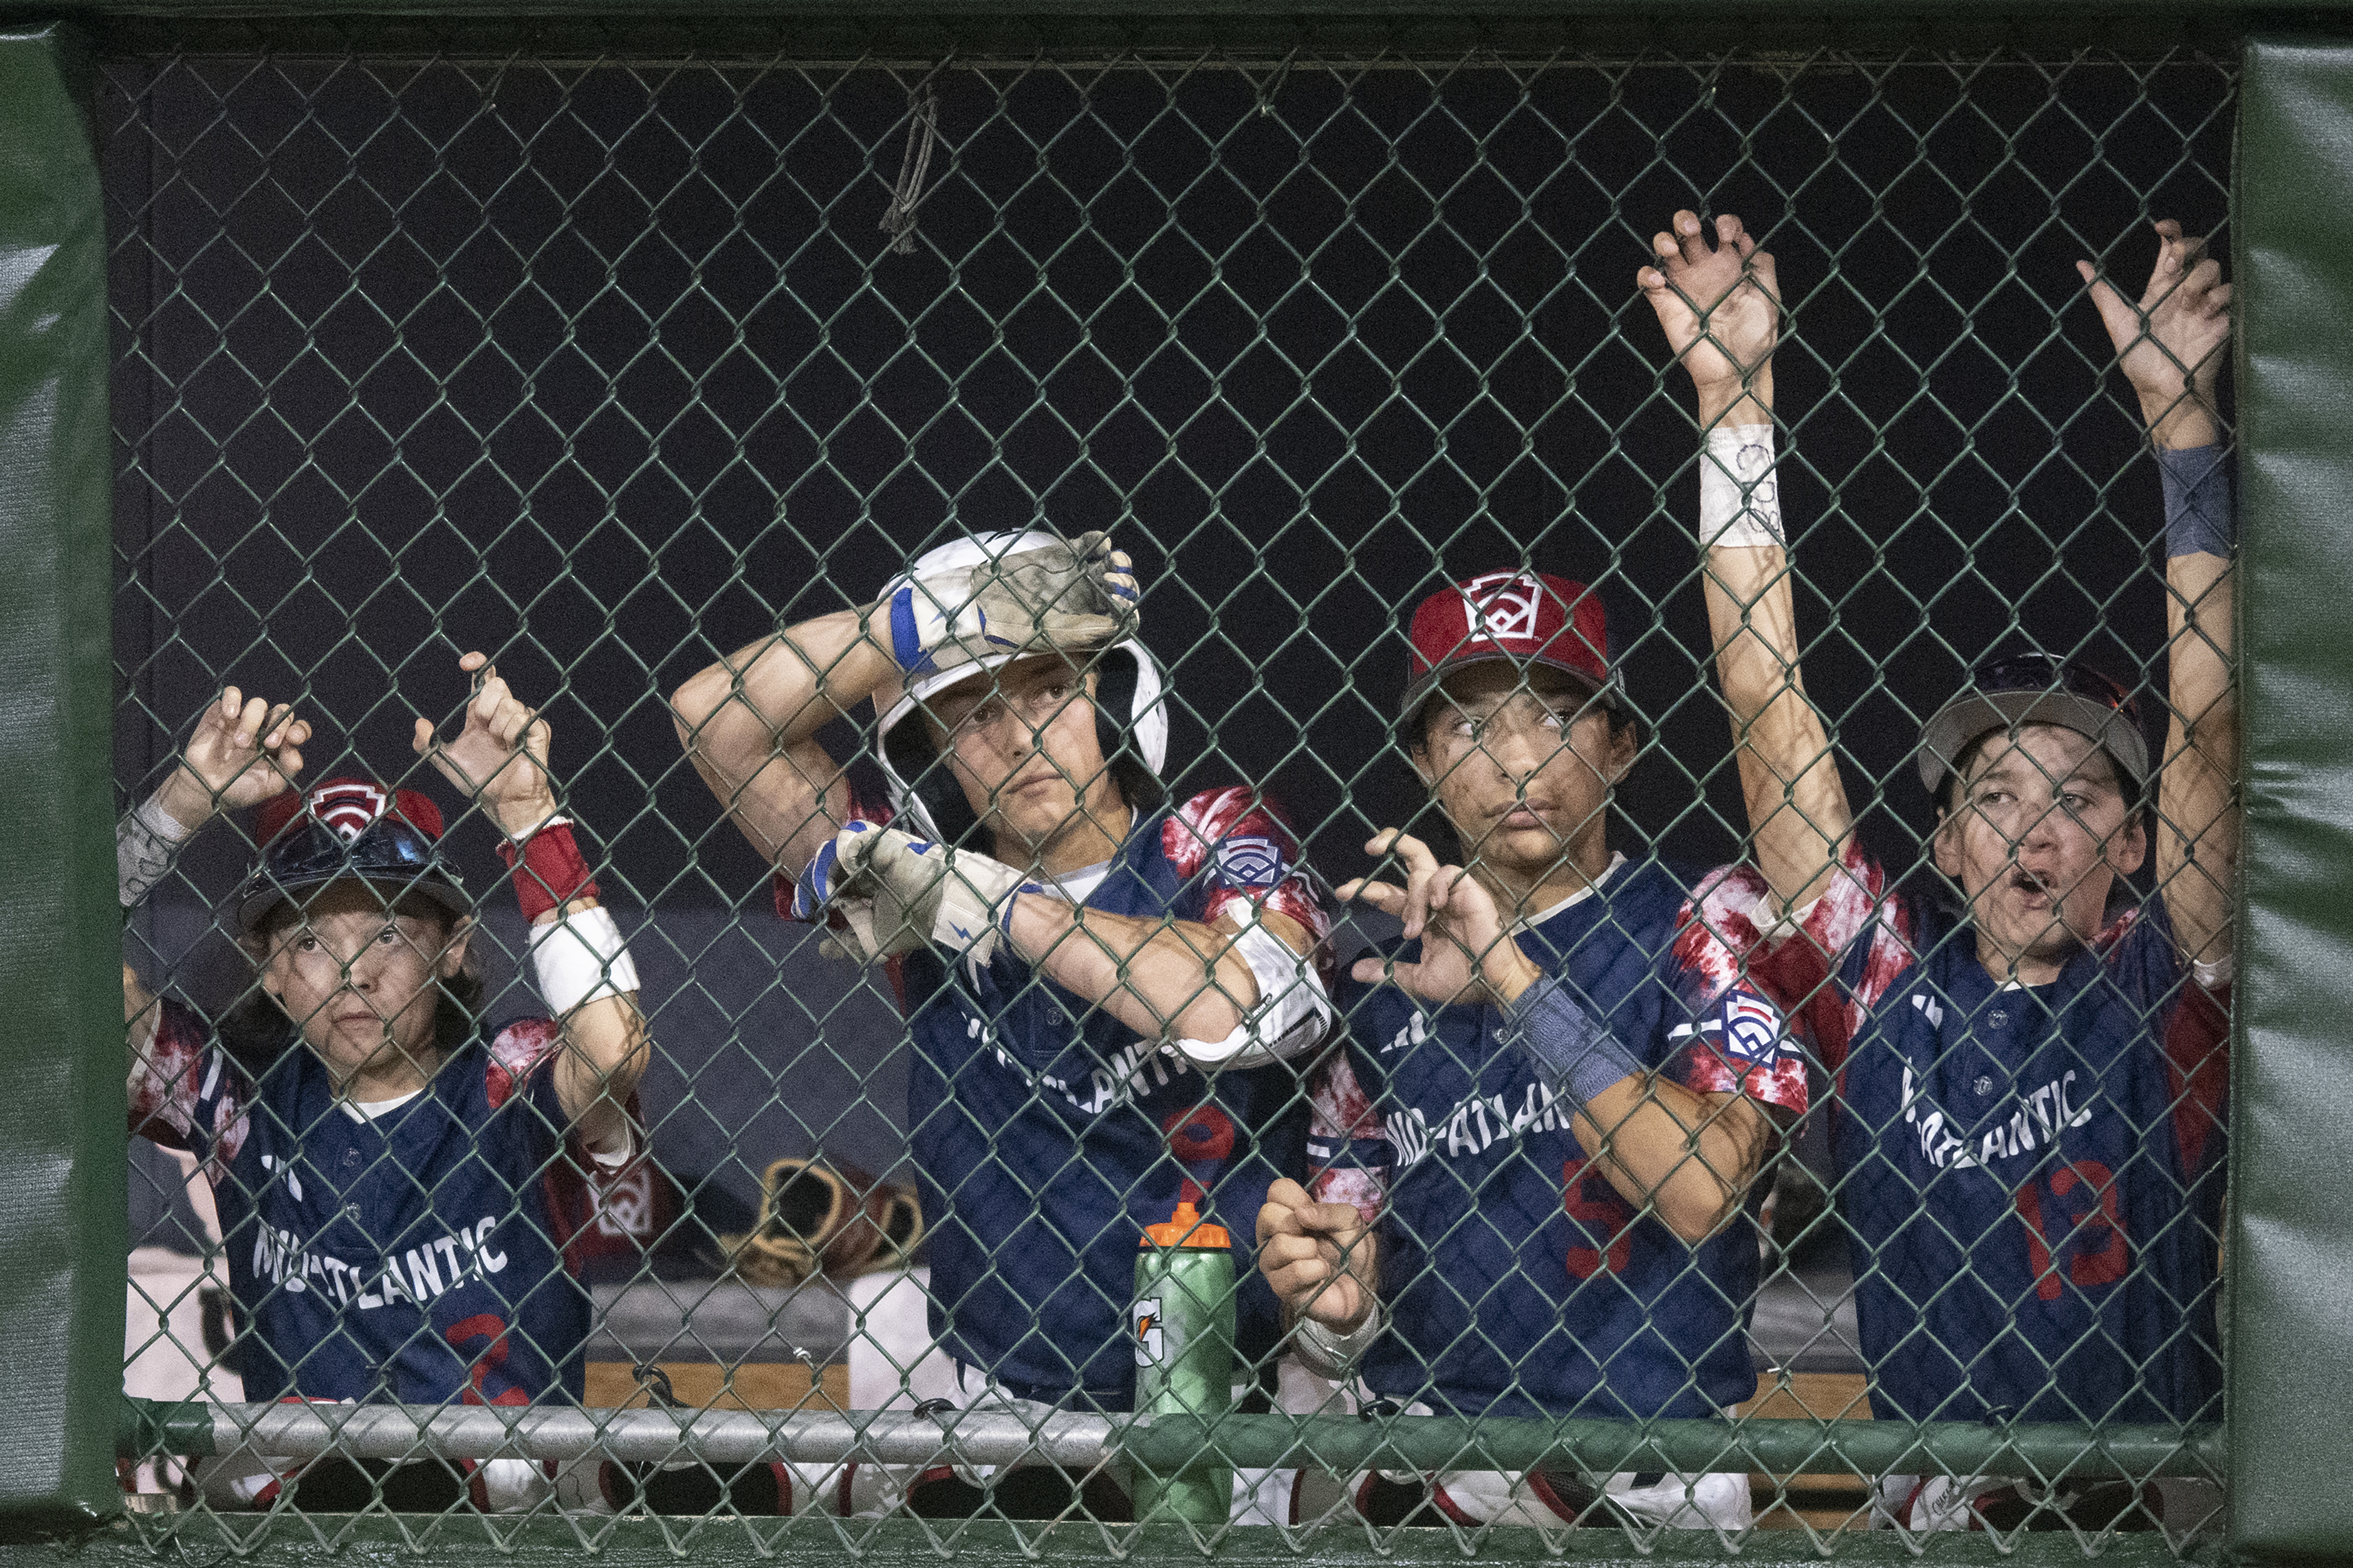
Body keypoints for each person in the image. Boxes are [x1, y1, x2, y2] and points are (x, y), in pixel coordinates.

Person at [1637, 208, 2233, 1531]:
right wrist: (1737, 403)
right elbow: (1764, 698)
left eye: (2079, 797)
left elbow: (2206, 735)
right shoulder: (1883, 979)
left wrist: (2186, 435)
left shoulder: (2158, 986)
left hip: (2148, 1499)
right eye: (1996, 797)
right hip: (1937, 1508)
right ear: (1949, 843)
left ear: (2130, 845)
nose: (2036, 830)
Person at [671, 530, 1335, 1520]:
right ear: (932, 762)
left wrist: (978, 900)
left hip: (1237, 1413)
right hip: (999, 1418)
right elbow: (713, 721)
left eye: (1046, 692)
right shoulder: (909, 888)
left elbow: (1235, 1004)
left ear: (1112, 700)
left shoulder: (1210, 832)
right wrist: (934, 618)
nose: (1018, 739)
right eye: (971, 716)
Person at [1254, 567, 1811, 1532]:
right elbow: (1347, 1273)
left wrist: (1512, 980)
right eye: (1469, 727)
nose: (1516, 758)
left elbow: (1702, 1186)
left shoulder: (1704, 918)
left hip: (1645, 1476)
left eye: (1556, 716)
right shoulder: (1378, 992)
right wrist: (1335, 1315)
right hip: (1425, 1461)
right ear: (1423, 764)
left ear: (1624, 745)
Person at [119, 653, 650, 1513]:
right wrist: (175, 811)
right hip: (307, 1512)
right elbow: (61, 988)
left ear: (455, 951)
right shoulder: (235, 1101)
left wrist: (528, 814)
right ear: (269, 975)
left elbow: (613, 1049)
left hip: (510, 1518)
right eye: (312, 945)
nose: (352, 975)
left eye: (390, 937)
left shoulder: (508, 1077)